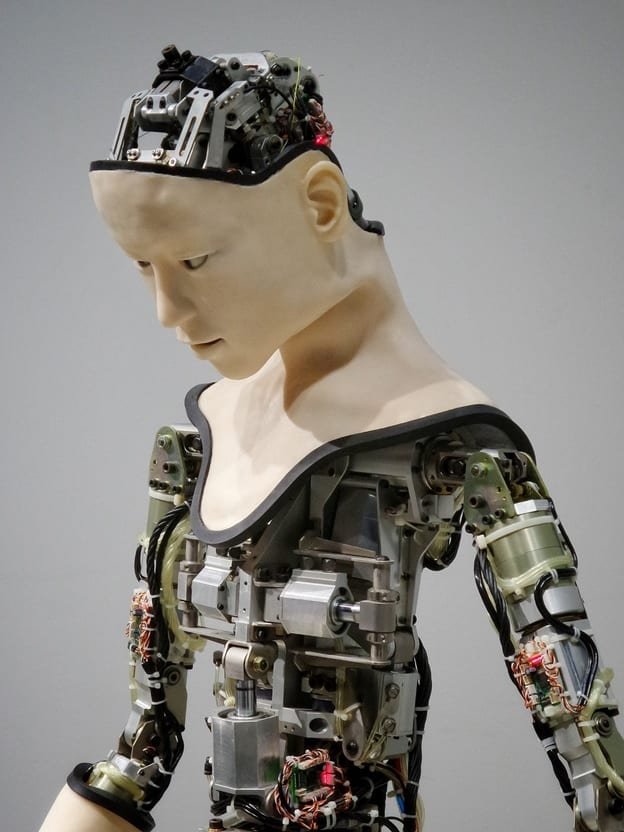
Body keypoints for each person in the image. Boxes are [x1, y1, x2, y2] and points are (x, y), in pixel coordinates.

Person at [40, 46, 624, 832]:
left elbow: (596, 770)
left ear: (320, 205)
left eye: (196, 258)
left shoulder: (461, 450)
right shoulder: (197, 442)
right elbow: (145, 744)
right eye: (143, 265)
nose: (167, 311)